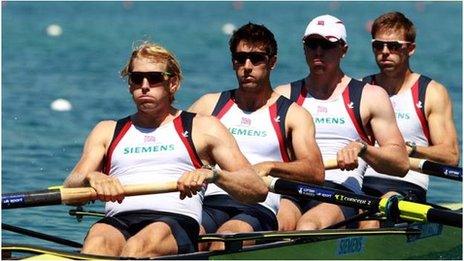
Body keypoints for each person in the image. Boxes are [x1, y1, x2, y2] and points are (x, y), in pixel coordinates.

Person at [63, 42, 268, 258]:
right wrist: (92, 178)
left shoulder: (203, 127)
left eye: (154, 78)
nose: (144, 85)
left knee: (138, 247)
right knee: (97, 242)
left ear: (173, 83)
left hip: (174, 221)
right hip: (119, 220)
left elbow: (256, 189)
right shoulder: (106, 131)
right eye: (136, 78)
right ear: (129, 84)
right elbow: (70, 191)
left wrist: (214, 175)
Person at [189, 23, 325, 250]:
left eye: (256, 58)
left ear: (272, 62)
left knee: (224, 240)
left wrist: (270, 166)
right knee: (186, 238)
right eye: (240, 58)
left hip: (258, 206)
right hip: (210, 202)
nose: (247, 66)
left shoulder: (292, 115)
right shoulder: (209, 105)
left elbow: (315, 170)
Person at [274, 14, 409, 231]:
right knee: (276, 225)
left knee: (307, 227)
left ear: (343, 49)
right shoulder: (283, 95)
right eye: (312, 44)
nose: (318, 51)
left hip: (341, 190)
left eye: (327, 45)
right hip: (293, 188)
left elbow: (401, 163)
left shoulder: (370, 96)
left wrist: (363, 149)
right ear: (304, 47)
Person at [359, 12, 459, 228]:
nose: (385, 53)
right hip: (361, 184)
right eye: (378, 46)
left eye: (394, 46)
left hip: (407, 184)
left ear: (411, 49)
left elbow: (450, 156)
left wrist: (412, 150)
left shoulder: (431, 92)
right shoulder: (361, 89)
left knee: (373, 217)